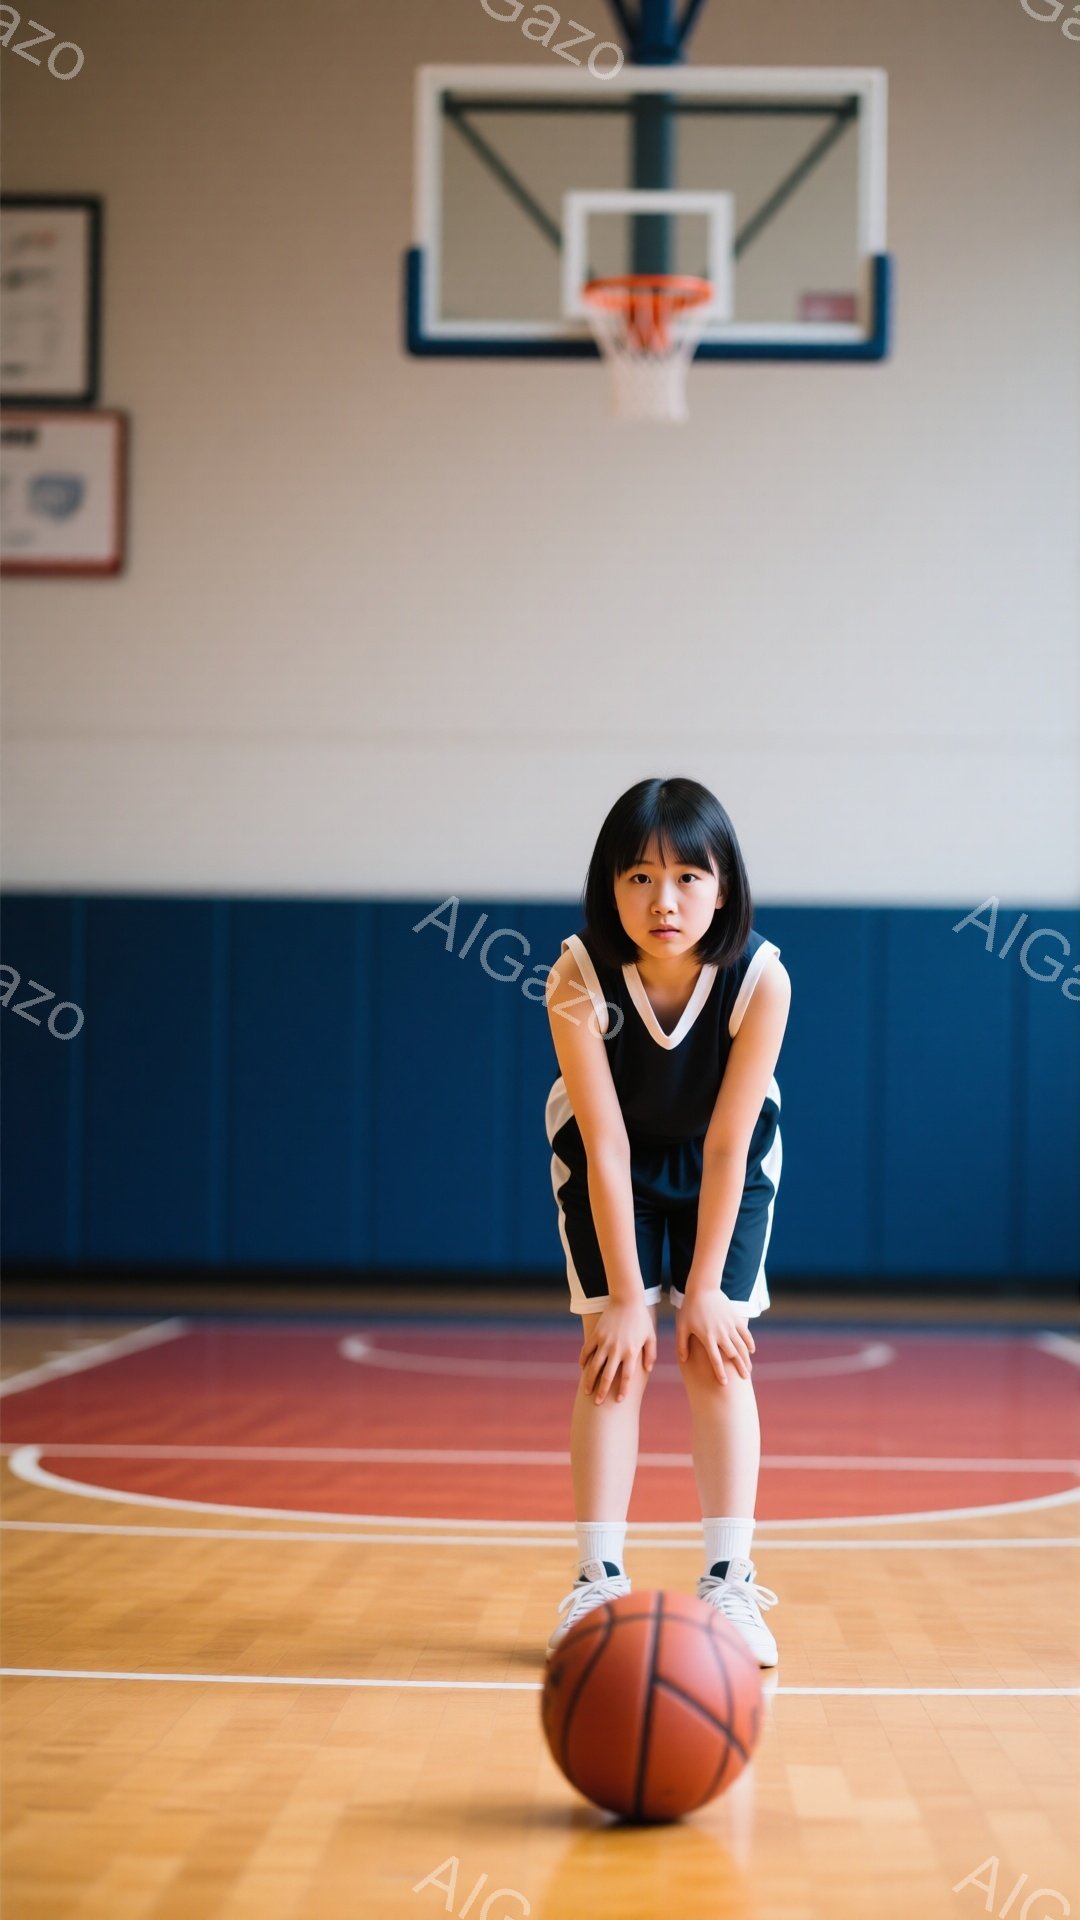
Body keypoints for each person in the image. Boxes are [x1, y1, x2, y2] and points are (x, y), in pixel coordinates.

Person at [543, 775, 791, 1666]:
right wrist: (620, 1298)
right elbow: (606, 1144)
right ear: (609, 886)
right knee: (613, 1358)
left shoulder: (761, 980)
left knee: (714, 1353)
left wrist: (708, 1296)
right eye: (639, 878)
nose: (665, 899)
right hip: (612, 1160)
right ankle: (595, 1578)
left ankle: (729, 1578)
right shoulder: (575, 979)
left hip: (725, 1161)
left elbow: (728, 1146)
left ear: (724, 886)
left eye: (689, 876)